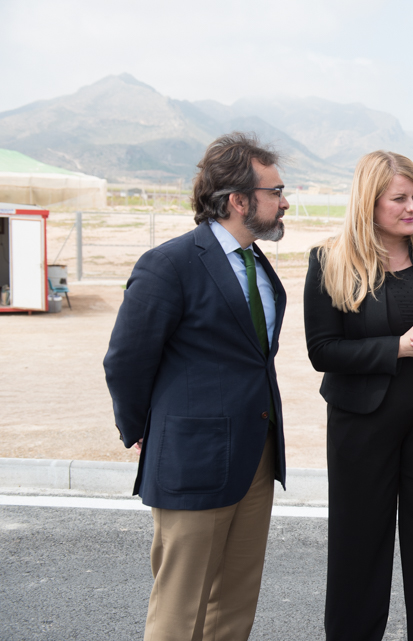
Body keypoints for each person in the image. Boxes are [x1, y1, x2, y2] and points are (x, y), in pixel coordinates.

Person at [103, 132, 289, 640]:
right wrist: (141, 430)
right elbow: (126, 360)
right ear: (238, 201)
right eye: (274, 191)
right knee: (181, 608)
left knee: (234, 604)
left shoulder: (259, 265)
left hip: (256, 455)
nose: (284, 201)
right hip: (193, 460)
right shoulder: (170, 264)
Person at [303, 150, 413, 641]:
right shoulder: (328, 259)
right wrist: (396, 348)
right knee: (359, 543)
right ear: (369, 202)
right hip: (361, 421)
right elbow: (322, 350)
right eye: (399, 199)